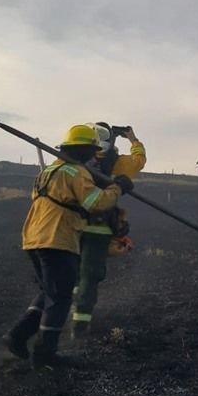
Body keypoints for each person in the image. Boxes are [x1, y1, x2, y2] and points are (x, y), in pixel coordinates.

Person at [2, 124, 134, 368]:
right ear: (83, 149)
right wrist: (119, 188)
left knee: (50, 292)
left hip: (34, 236)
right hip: (57, 238)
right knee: (61, 298)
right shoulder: (75, 172)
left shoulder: (50, 171)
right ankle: (44, 355)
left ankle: (17, 336)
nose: (95, 156)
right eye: (92, 151)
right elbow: (95, 202)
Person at [70, 123, 147, 339]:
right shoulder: (120, 163)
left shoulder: (75, 160)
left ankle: (69, 304)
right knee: (90, 273)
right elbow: (139, 161)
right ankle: (80, 324)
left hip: (71, 224)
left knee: (72, 268)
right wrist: (133, 139)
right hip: (100, 225)